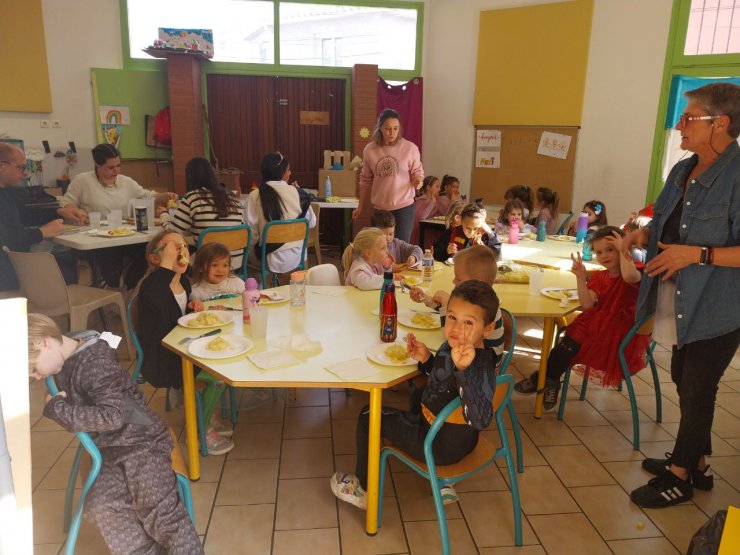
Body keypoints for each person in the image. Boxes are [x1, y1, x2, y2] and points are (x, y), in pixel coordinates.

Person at [621, 83, 740, 509]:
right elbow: (669, 219)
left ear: (720, 124)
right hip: (678, 299)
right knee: (682, 378)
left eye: (689, 118)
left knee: (697, 388)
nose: (679, 125)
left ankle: (680, 477)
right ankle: (699, 463)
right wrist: (645, 232)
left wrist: (698, 254)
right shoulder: (681, 169)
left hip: (718, 303)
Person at [27, 313, 204, 554]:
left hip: (143, 443)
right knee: (102, 505)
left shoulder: (94, 363)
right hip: (111, 449)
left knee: (162, 515)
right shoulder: (68, 351)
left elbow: (113, 417)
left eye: (34, 370)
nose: (38, 378)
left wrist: (58, 410)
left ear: (43, 342)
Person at [330, 280, 500, 510]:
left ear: (487, 329)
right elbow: (443, 380)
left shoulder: (478, 365)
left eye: (468, 322)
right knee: (419, 392)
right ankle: (440, 482)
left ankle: (363, 490)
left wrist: (463, 371)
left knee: (368, 415)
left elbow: (480, 418)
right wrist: (426, 360)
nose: (456, 328)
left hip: (438, 445)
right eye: (452, 317)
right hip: (452, 437)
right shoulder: (458, 347)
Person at [514, 227, 647, 410]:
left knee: (565, 349)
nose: (604, 256)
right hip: (596, 326)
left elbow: (630, 277)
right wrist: (580, 277)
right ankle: (549, 381)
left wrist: (623, 249)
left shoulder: (635, 269)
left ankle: (540, 380)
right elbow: (587, 304)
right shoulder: (600, 276)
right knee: (561, 350)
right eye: (599, 252)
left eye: (610, 249)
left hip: (620, 334)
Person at [137, 229, 234, 455]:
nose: (180, 252)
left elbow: (176, 315)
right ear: (155, 258)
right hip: (163, 358)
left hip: (182, 348)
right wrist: (166, 263)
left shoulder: (184, 284)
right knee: (217, 377)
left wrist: (192, 307)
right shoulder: (152, 285)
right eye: (172, 248)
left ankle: (206, 414)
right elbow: (160, 305)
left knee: (224, 364)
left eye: (183, 247)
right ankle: (201, 428)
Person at [57, 144, 177, 290]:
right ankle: (113, 286)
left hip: (125, 236)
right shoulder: (82, 181)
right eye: (110, 167)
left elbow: (146, 195)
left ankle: (131, 287)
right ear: (97, 164)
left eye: (118, 165)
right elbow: (66, 204)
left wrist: (164, 196)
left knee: (148, 250)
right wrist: (75, 211)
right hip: (97, 238)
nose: (116, 171)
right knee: (110, 256)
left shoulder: (125, 181)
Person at [0, 142, 65, 290]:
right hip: (5, 278)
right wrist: (42, 232)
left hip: (9, 269)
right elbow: (8, 238)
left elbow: (25, 214)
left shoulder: (7, 191)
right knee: (63, 272)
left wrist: (59, 212)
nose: (26, 173)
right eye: (21, 167)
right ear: (1, 166)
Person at [353, 108, 424, 242]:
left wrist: (418, 181)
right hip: (380, 209)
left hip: (403, 207)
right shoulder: (370, 150)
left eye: (395, 128)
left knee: (401, 247)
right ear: (380, 128)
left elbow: (417, 172)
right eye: (388, 128)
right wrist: (360, 206)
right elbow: (365, 179)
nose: (392, 133)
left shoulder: (410, 148)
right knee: (380, 248)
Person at [162, 156, 244, 270]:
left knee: (174, 249)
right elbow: (242, 227)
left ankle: (178, 285)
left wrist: (164, 215)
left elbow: (173, 231)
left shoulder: (193, 197)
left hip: (209, 263)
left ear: (190, 177)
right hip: (234, 261)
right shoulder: (232, 197)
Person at [245, 152, 316, 279]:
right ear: (282, 172)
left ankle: (260, 290)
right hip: (298, 256)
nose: (290, 173)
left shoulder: (255, 195)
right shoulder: (299, 194)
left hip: (267, 258)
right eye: (288, 169)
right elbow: (311, 222)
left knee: (245, 259)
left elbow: (252, 233)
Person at [432, 203, 501, 261]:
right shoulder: (453, 232)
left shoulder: (485, 236)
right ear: (461, 221)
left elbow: (496, 257)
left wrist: (490, 233)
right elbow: (435, 253)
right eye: (468, 228)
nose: (471, 232)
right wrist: (446, 250)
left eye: (476, 228)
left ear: (483, 224)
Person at [410, 175, 443, 245]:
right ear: (428, 187)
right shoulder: (420, 201)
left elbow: (443, 213)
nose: (439, 189)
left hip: (432, 231)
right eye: (437, 187)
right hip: (421, 234)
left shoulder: (436, 200)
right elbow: (421, 219)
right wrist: (431, 204)